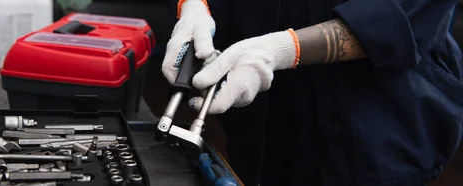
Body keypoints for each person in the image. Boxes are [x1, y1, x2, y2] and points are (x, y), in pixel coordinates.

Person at [162, 0, 463, 185]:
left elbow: (401, 15)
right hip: (263, 129)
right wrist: (195, 5)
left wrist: (279, 49)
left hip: (369, 137)